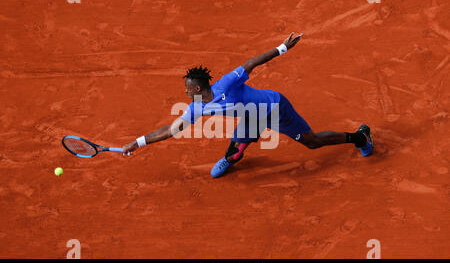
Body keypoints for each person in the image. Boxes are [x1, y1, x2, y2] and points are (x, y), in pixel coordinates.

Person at [122, 32, 373, 178]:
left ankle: (360, 137)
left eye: (187, 88)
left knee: (312, 142)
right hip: (252, 118)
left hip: (275, 108)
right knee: (233, 154)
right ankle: (233, 157)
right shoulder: (196, 107)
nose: (185, 92)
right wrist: (138, 141)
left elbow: (252, 62)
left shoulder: (226, 84)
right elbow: (170, 130)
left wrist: (282, 47)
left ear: (197, 88)